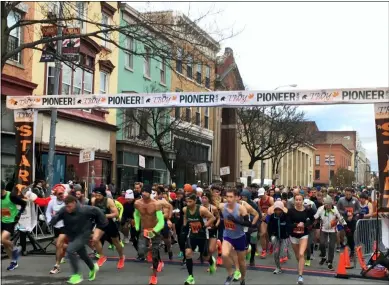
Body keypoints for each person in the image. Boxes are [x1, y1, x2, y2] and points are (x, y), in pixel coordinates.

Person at [49, 195, 106, 284]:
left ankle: (77, 275)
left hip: (84, 234)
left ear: (74, 203)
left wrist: (102, 224)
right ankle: (93, 268)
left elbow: (98, 211)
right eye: (66, 206)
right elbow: (57, 216)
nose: (68, 209)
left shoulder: (84, 209)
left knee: (70, 250)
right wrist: (52, 221)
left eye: (69, 206)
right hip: (72, 235)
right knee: (83, 254)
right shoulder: (64, 210)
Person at [218, 188, 254, 285]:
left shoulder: (241, 208)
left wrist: (236, 221)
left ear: (237, 198)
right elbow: (213, 203)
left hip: (239, 237)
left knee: (241, 262)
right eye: (227, 197)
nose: (228, 199)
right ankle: (230, 274)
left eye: (231, 197)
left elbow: (248, 223)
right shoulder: (222, 206)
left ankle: (242, 279)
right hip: (227, 235)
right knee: (224, 254)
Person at [134, 185, 165, 285]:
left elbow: (161, 221)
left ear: (150, 193)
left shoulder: (156, 204)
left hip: (155, 230)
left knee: (155, 253)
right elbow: (136, 214)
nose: (143, 193)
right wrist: (137, 225)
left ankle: (154, 275)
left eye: (146, 192)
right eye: (142, 192)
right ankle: (149, 251)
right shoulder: (137, 203)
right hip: (144, 229)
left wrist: (155, 230)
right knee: (141, 251)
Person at [182, 193, 216, 285]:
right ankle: (191, 277)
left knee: (205, 256)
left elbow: (213, 218)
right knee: (188, 253)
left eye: (190, 201)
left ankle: (211, 261)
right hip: (192, 234)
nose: (188, 203)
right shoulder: (185, 209)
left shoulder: (202, 209)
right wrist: (185, 225)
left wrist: (205, 226)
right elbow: (185, 217)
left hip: (203, 235)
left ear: (195, 201)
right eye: (187, 201)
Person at [90, 187, 125, 269]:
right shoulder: (93, 200)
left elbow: (116, 214)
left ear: (103, 195)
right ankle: (102, 256)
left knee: (116, 242)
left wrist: (104, 215)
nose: (97, 197)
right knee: (95, 239)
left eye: (99, 195)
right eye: (96, 195)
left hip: (109, 223)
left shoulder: (108, 201)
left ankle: (121, 257)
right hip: (100, 223)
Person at [287, 194, 315, 285]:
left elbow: (312, 220)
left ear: (303, 201)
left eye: (300, 200)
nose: (298, 201)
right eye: (297, 200)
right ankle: (300, 266)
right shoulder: (290, 211)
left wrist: (305, 224)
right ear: (294, 201)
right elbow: (288, 224)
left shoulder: (307, 211)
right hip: (293, 236)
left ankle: (300, 276)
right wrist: (296, 225)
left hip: (304, 235)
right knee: (298, 256)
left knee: (301, 253)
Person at [314, 196, 347, 270]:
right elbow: (315, 217)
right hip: (324, 229)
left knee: (331, 246)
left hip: (333, 230)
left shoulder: (335, 209)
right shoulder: (321, 209)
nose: (328, 206)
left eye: (329, 205)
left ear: (331, 204)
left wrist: (345, 225)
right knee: (322, 243)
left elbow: (340, 217)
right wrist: (312, 222)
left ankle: (330, 262)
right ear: (324, 204)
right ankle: (323, 257)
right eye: (326, 205)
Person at [1, 181, 26, 270]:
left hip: (11, 220)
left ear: (2, 189)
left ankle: (15, 248)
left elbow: (24, 203)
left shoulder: (11, 196)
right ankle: (13, 262)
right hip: (2, 220)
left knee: (3, 239)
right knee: (4, 243)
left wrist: (19, 213)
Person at [46, 186, 67, 274]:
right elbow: (48, 212)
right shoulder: (52, 202)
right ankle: (72, 249)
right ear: (56, 194)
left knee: (58, 245)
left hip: (65, 226)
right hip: (56, 226)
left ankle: (56, 266)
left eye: (62, 193)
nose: (61, 195)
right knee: (60, 245)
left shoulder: (67, 201)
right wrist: (49, 220)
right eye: (59, 194)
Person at [337, 187, 361, 259]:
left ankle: (352, 251)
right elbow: (338, 209)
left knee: (351, 234)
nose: (347, 195)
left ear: (352, 194)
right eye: (346, 194)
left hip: (353, 220)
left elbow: (359, 209)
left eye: (349, 194)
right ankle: (351, 248)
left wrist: (352, 214)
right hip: (344, 220)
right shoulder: (341, 200)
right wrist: (345, 212)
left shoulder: (355, 200)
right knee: (348, 235)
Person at [267, 200, 288, 274]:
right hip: (275, 236)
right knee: (276, 253)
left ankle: (286, 254)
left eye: (279, 209)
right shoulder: (272, 216)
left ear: (282, 209)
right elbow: (269, 227)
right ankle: (278, 267)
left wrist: (288, 234)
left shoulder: (286, 216)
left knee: (283, 253)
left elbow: (289, 226)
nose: (278, 211)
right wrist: (270, 236)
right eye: (276, 209)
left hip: (284, 237)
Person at [257, 187, 274, 259]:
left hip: (270, 217)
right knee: (262, 233)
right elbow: (260, 210)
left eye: (262, 195)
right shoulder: (259, 201)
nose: (261, 196)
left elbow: (274, 208)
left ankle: (269, 245)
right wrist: (261, 215)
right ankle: (264, 250)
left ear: (265, 193)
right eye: (260, 195)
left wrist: (267, 214)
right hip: (263, 218)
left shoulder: (270, 199)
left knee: (267, 234)